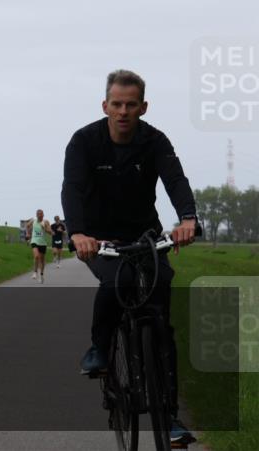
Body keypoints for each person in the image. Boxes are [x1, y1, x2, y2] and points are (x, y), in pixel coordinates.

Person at [62, 69, 198, 446]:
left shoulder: (154, 141)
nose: (123, 111)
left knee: (160, 305)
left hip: (145, 235)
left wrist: (188, 218)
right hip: (99, 238)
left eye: (131, 104)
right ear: (105, 105)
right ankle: (100, 348)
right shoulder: (84, 142)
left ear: (143, 107)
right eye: (116, 104)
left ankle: (169, 417)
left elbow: (175, 180)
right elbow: (72, 188)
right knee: (117, 280)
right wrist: (78, 233)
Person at [26, 209, 50, 283]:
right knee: (36, 256)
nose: (39, 215)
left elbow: (50, 232)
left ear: (43, 215)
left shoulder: (46, 222)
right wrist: (28, 234)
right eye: (38, 214)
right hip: (34, 241)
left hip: (42, 243)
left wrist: (45, 228)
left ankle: (41, 275)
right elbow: (27, 226)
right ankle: (35, 272)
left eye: (41, 214)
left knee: (42, 260)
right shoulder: (33, 221)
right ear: (36, 215)